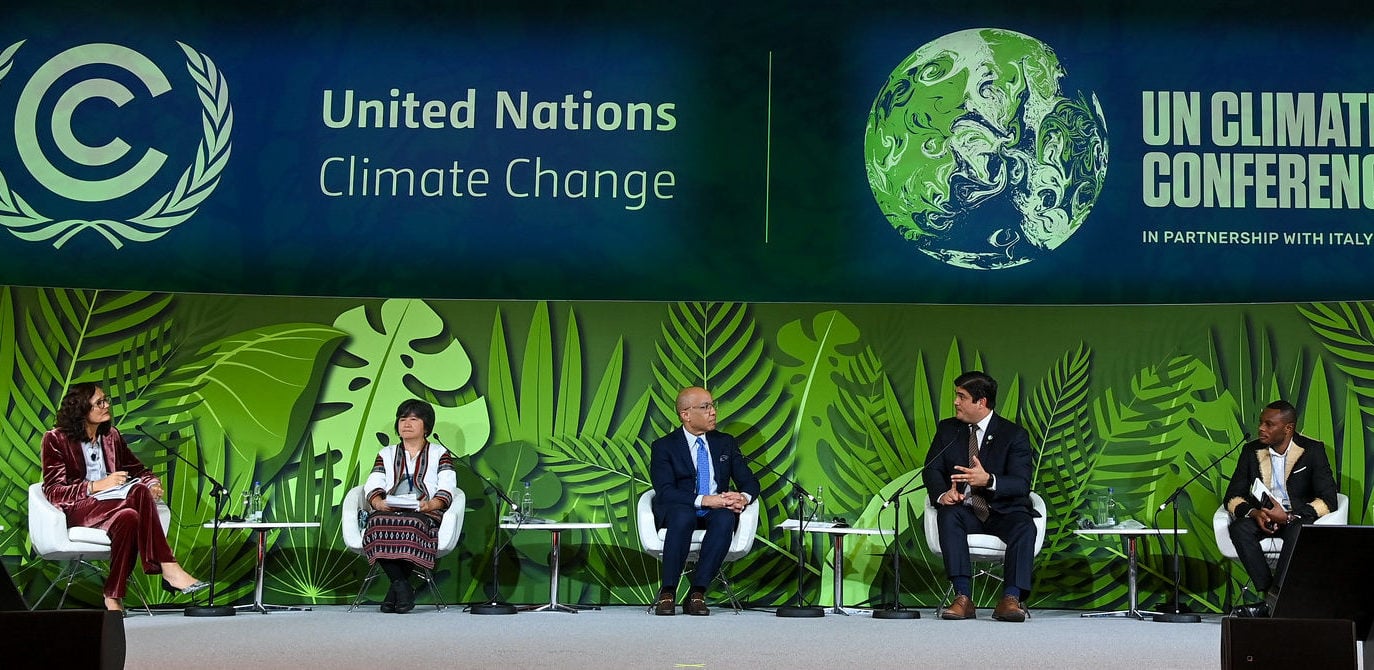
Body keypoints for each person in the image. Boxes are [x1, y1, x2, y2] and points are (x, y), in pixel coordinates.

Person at [40, 382, 208, 612]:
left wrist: (153, 484)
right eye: (99, 402)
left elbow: (139, 471)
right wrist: (97, 485)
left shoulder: (111, 436)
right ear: (81, 409)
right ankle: (168, 566)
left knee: (130, 517)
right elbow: (53, 492)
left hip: (114, 507)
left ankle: (113, 596)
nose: (107, 405)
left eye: (106, 399)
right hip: (78, 509)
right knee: (137, 493)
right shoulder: (55, 439)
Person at [922, 371, 1038, 622]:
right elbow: (932, 468)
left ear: (981, 402)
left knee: (1024, 525)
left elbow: (1021, 483)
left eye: (961, 397)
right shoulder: (948, 429)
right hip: (965, 510)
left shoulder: (1014, 435)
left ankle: (1011, 598)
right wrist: (943, 494)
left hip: (1002, 512)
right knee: (948, 515)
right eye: (957, 396)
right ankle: (962, 598)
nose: (955, 402)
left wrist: (989, 480)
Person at [648, 386, 761, 616]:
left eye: (713, 406)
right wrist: (706, 500)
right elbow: (665, 491)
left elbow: (750, 482)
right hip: (682, 508)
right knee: (682, 515)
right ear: (685, 414)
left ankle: (697, 592)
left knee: (724, 518)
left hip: (716, 511)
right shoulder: (664, 446)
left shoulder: (725, 443)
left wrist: (742, 497)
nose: (713, 412)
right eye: (705, 407)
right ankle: (668, 592)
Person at [1223, 400, 1338, 617]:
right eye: (1261, 423)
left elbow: (1328, 499)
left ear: (1288, 428)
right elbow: (1232, 496)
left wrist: (1287, 516)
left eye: (1269, 424)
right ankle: (1271, 597)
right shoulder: (1251, 451)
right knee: (1240, 529)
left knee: (1299, 531)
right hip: (1264, 516)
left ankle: (1270, 603)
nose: (1261, 429)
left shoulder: (1312, 450)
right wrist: (1254, 513)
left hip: (1297, 518)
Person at [361, 399, 458, 613]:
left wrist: (431, 504)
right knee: (376, 522)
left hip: (424, 511)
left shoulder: (439, 453)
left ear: (426, 427)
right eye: (402, 419)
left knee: (412, 525)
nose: (406, 424)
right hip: (391, 509)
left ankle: (396, 589)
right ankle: (402, 586)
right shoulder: (386, 453)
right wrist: (378, 501)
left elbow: (448, 484)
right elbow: (374, 481)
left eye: (413, 419)